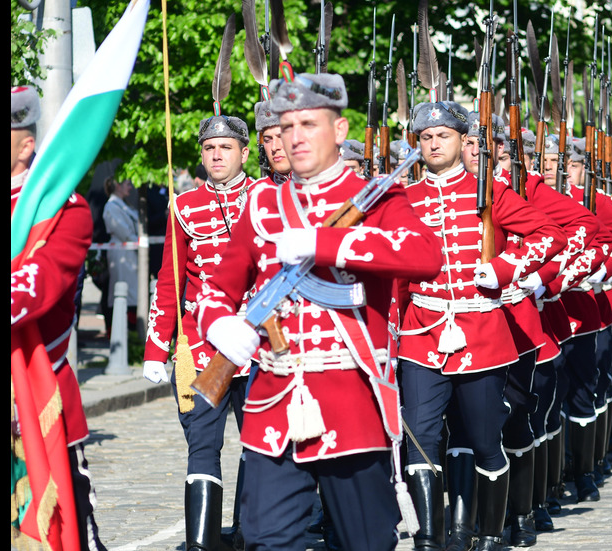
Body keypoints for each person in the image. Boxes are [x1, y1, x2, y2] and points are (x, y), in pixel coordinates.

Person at [194, 71, 443, 551]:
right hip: (273, 404)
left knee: (366, 543)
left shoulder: (378, 198)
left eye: (309, 124)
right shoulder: (263, 204)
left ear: (340, 130)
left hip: (350, 404)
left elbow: (424, 255)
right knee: (267, 540)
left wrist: (324, 241)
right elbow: (216, 286)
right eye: (287, 127)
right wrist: (219, 325)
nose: (295, 137)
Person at [397, 99, 565, 551]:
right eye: (426, 138)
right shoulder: (404, 198)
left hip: (481, 331)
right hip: (420, 334)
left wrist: (506, 267)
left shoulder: (487, 191)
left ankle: (488, 536)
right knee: (420, 440)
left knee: (486, 441)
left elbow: (551, 235)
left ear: (462, 141)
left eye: (443, 136)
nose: (433, 144)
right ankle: (429, 541)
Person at [143, 112, 257, 550]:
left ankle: (250, 535)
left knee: (259, 445)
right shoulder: (184, 205)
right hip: (201, 346)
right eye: (209, 148)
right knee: (202, 446)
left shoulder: (268, 197)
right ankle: (201, 544)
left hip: (257, 344)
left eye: (225, 148)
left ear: (244, 153)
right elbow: (169, 281)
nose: (216, 155)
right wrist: (157, 349)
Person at [10, 85, 107, 550]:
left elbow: (36, 288)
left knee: (65, 534)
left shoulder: (61, 210)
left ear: (26, 145)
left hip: (34, 397)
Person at [103, 176, 140, 329]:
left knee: (132, 292)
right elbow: (123, 231)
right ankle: (120, 329)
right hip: (121, 253)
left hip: (130, 252)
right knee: (122, 290)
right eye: (127, 184)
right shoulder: (111, 206)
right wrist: (139, 242)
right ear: (117, 186)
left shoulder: (123, 205)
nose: (130, 187)